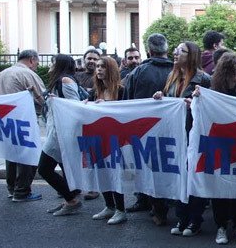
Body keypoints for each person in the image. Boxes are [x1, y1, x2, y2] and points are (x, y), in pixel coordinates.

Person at [154, 41, 212, 234]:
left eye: (182, 51)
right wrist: (160, 96)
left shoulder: (204, 79)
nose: (176, 53)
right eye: (176, 50)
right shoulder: (172, 76)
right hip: (175, 134)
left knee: (193, 175)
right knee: (179, 175)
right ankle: (181, 217)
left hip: (193, 133)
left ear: (192, 55)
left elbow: (212, 108)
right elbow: (170, 101)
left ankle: (195, 219)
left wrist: (196, 103)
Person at [123, 33, 175, 216]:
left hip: (143, 128)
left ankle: (146, 200)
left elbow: (127, 103)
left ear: (149, 51)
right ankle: (167, 200)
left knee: (145, 165)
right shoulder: (177, 70)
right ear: (166, 50)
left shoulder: (137, 73)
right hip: (171, 128)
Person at [208, 52, 236, 245]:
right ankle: (221, 226)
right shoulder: (214, 92)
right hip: (220, 145)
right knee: (220, 188)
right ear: (227, 69)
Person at [0, 50, 46, 202]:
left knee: (11, 156)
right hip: (24, 121)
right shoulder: (27, 74)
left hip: (5, 120)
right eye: (37, 62)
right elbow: (42, 98)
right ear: (31, 59)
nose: (37, 65)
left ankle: (12, 189)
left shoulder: (2, 74)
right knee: (27, 155)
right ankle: (22, 191)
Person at [40, 54, 85, 216]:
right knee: (65, 167)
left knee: (44, 169)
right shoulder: (58, 81)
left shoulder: (65, 81)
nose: (49, 67)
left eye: (52, 63)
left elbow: (75, 106)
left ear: (59, 65)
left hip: (61, 134)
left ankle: (72, 201)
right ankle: (69, 199)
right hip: (56, 131)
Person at [87, 56, 128, 225]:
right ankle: (109, 206)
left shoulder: (121, 90)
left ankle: (120, 209)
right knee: (101, 171)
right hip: (98, 138)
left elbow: (128, 111)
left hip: (116, 139)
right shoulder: (93, 92)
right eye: (97, 66)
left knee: (115, 173)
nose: (99, 69)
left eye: (103, 66)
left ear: (110, 69)